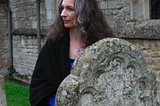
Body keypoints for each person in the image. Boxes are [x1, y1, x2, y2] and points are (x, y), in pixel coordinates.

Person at [29, 0, 115, 105]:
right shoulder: (53, 45)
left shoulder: (104, 44)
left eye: (70, 9)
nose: (63, 14)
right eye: (62, 8)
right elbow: (39, 85)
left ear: (85, 12)